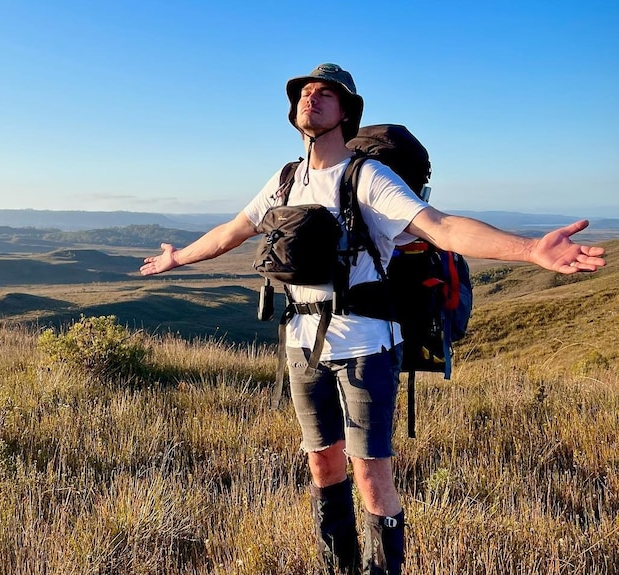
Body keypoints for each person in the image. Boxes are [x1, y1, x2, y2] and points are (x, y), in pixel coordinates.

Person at [139, 63, 606, 575]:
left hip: (365, 346)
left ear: (346, 113)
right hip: (300, 345)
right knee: (322, 463)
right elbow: (234, 229)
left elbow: (441, 227)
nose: (311, 98)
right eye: (305, 92)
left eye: (325, 94)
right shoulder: (285, 179)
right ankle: (337, 567)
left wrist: (530, 248)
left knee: (371, 476)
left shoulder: (368, 178)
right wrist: (177, 258)